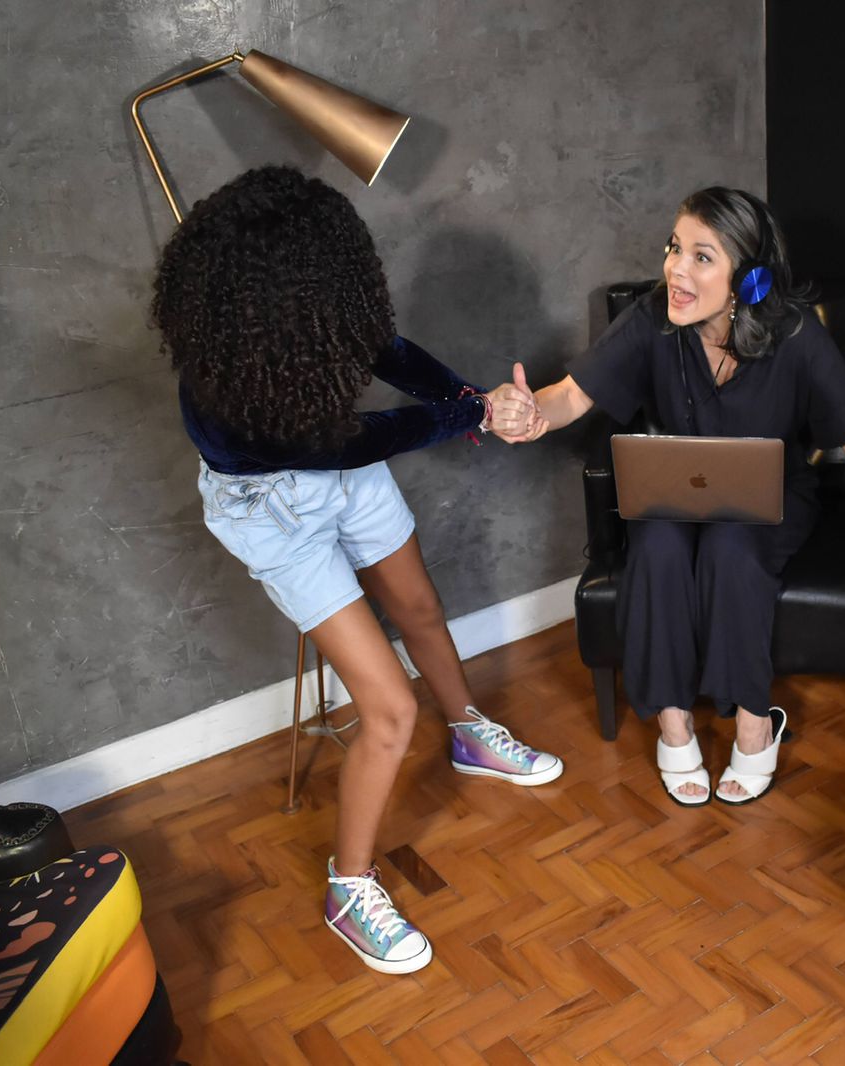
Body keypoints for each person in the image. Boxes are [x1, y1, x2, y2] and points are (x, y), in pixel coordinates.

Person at [152, 166, 561, 976]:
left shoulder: (304, 316)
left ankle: (472, 737)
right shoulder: (229, 393)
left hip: (344, 472)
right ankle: (349, 884)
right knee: (389, 710)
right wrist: (471, 415)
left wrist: (471, 398)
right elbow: (349, 442)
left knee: (419, 607)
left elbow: (387, 352)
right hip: (274, 512)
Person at [498, 186, 845, 806]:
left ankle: (754, 723)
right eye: (674, 248)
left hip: (771, 497)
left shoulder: (794, 333)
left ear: (747, 279)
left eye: (701, 256)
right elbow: (574, 393)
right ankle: (674, 725)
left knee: (731, 547)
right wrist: (536, 412)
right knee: (658, 547)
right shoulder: (651, 317)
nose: (675, 268)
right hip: (673, 491)